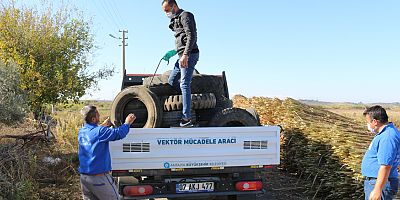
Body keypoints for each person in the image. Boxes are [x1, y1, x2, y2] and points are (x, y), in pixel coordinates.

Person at [78, 105, 136, 200]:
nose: (99, 116)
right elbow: (118, 133)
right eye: (97, 115)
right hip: (99, 179)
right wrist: (127, 123)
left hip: (84, 179)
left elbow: (95, 133)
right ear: (93, 119)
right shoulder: (100, 131)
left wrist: (103, 125)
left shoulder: (82, 131)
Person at [161, 0, 199, 127]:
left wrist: (186, 55)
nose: (166, 13)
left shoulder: (186, 15)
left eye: (167, 10)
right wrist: (174, 52)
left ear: (174, 6)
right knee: (172, 81)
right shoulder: (176, 19)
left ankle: (186, 118)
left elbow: (191, 36)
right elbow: (181, 39)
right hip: (181, 55)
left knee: (184, 83)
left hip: (190, 54)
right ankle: (188, 100)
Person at [361, 105, 400, 200]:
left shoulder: (388, 137)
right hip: (378, 182)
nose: (368, 125)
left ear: (375, 122)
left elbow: (386, 166)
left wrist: (377, 189)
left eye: (368, 122)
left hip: (381, 184)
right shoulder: (386, 133)